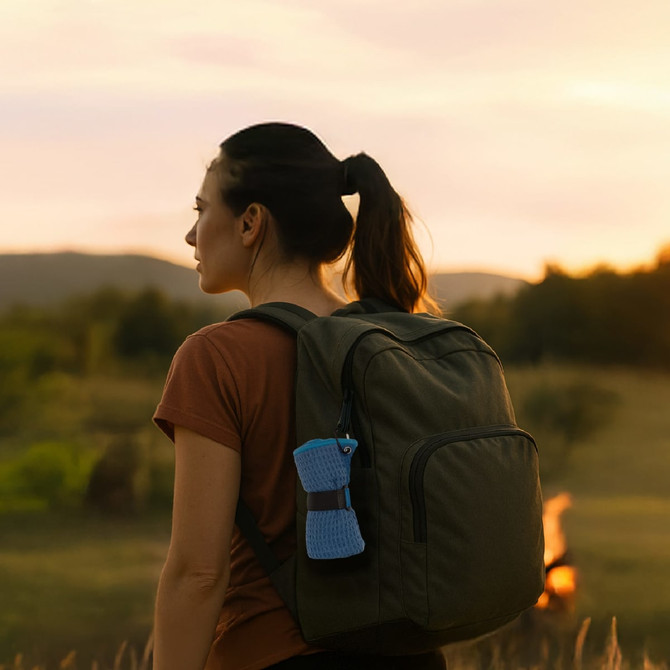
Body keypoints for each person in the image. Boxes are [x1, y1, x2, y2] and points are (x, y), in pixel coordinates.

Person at [152, 122, 445, 670]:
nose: (191, 237)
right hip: (411, 654)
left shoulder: (217, 357)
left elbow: (197, 573)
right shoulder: (394, 337)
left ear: (250, 223)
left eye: (199, 210)